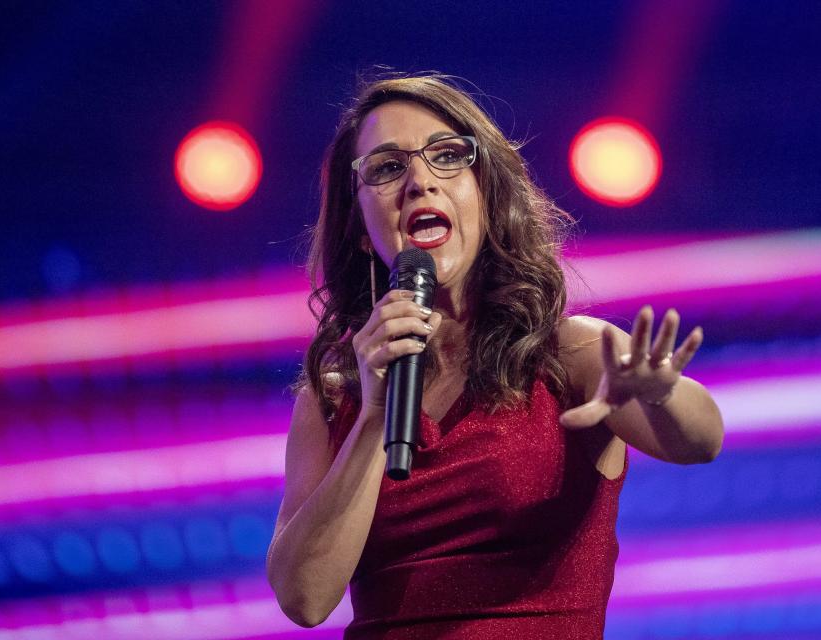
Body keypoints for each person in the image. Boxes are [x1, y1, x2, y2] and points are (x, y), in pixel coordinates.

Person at [265, 73, 724, 639]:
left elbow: (701, 441)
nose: (418, 182)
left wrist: (660, 394)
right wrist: (374, 419)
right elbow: (305, 599)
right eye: (386, 168)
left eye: (447, 156)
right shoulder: (333, 398)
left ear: (484, 194)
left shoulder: (568, 353)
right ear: (361, 229)